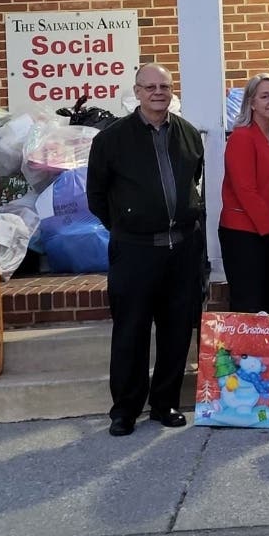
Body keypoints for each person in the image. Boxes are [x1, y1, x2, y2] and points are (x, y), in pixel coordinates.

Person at [87, 62, 205, 437]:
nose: (158, 92)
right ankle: (124, 410)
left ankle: (165, 403)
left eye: (165, 86)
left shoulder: (187, 134)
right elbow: (97, 197)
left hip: (182, 250)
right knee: (131, 332)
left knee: (175, 331)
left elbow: (194, 180)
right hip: (135, 251)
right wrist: (127, 226)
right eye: (150, 87)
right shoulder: (111, 139)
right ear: (136, 92)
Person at [218, 72, 269, 315]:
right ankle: (249, 355)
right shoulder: (242, 138)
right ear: (251, 103)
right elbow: (246, 191)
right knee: (251, 307)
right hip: (245, 235)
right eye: (264, 96)